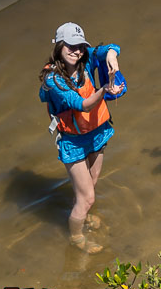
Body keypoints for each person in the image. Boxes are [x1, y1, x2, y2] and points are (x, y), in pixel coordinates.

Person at [39, 23, 124, 252]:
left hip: (97, 133)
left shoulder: (85, 61)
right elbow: (82, 104)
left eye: (80, 46)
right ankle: (76, 238)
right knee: (87, 198)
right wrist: (105, 89)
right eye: (71, 45)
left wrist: (112, 56)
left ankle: (83, 215)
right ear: (58, 46)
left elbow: (110, 47)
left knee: (90, 190)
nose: (77, 51)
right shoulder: (52, 80)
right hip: (73, 142)